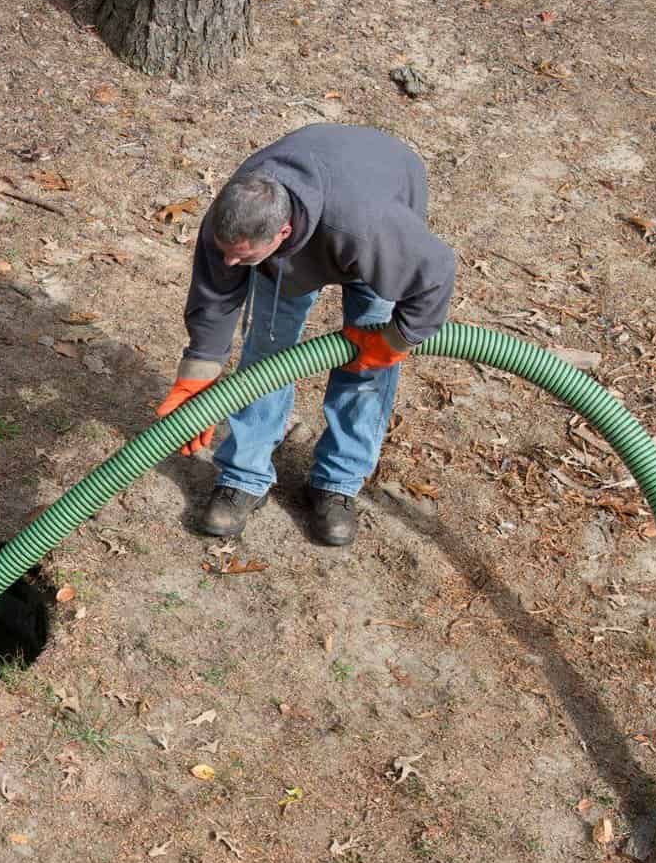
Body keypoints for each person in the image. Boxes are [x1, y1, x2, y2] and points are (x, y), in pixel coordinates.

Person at [155, 124, 456, 547]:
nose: (228, 260)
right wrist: (199, 370)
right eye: (226, 250)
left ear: (281, 233)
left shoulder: (369, 226)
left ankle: (339, 482)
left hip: (374, 201)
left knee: (367, 365)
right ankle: (245, 475)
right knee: (267, 351)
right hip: (316, 212)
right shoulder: (233, 219)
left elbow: (435, 274)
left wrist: (395, 342)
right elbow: (216, 294)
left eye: (241, 256)